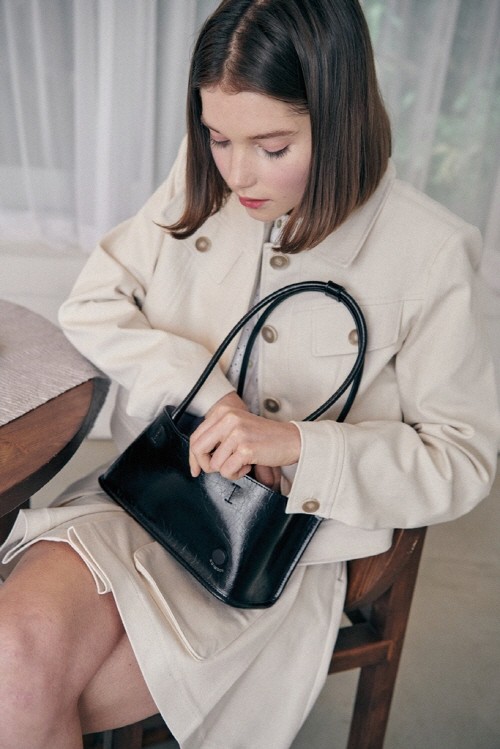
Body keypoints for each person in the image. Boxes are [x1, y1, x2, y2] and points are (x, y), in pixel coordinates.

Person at [0, 0, 498, 747]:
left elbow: (462, 459)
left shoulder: (431, 251)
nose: (237, 173)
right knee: (13, 665)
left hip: (278, 556)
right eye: (217, 136)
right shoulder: (204, 177)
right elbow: (93, 305)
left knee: (41, 694)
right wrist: (213, 396)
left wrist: (296, 444)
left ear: (340, 119)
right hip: (147, 498)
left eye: (272, 146)